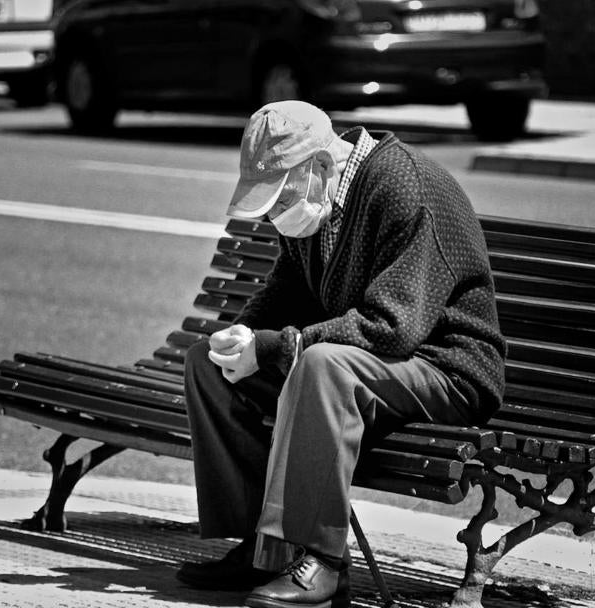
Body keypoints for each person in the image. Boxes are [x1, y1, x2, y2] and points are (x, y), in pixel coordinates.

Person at [178, 100, 505, 608]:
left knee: (321, 363)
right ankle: (263, 549)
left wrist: (274, 347)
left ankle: (324, 565)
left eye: (279, 197)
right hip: (372, 363)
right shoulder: (318, 201)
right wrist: (243, 334)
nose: (274, 214)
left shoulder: (405, 188)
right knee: (208, 364)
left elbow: (392, 327)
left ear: (322, 168)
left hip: (444, 370)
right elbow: (285, 291)